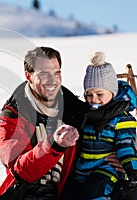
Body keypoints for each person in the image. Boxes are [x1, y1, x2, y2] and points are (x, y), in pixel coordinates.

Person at [0, 47, 124, 200]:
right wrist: (54, 145)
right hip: (25, 195)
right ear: (28, 76)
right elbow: (20, 170)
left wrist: (126, 156)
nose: (53, 80)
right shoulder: (11, 117)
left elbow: (110, 117)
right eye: (44, 74)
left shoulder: (74, 109)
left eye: (57, 73)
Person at [59, 52, 137, 200]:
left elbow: (126, 146)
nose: (94, 99)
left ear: (112, 93)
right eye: (89, 94)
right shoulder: (87, 115)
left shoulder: (122, 118)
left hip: (107, 169)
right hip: (83, 168)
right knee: (67, 194)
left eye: (99, 94)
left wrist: (132, 171)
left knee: (94, 193)